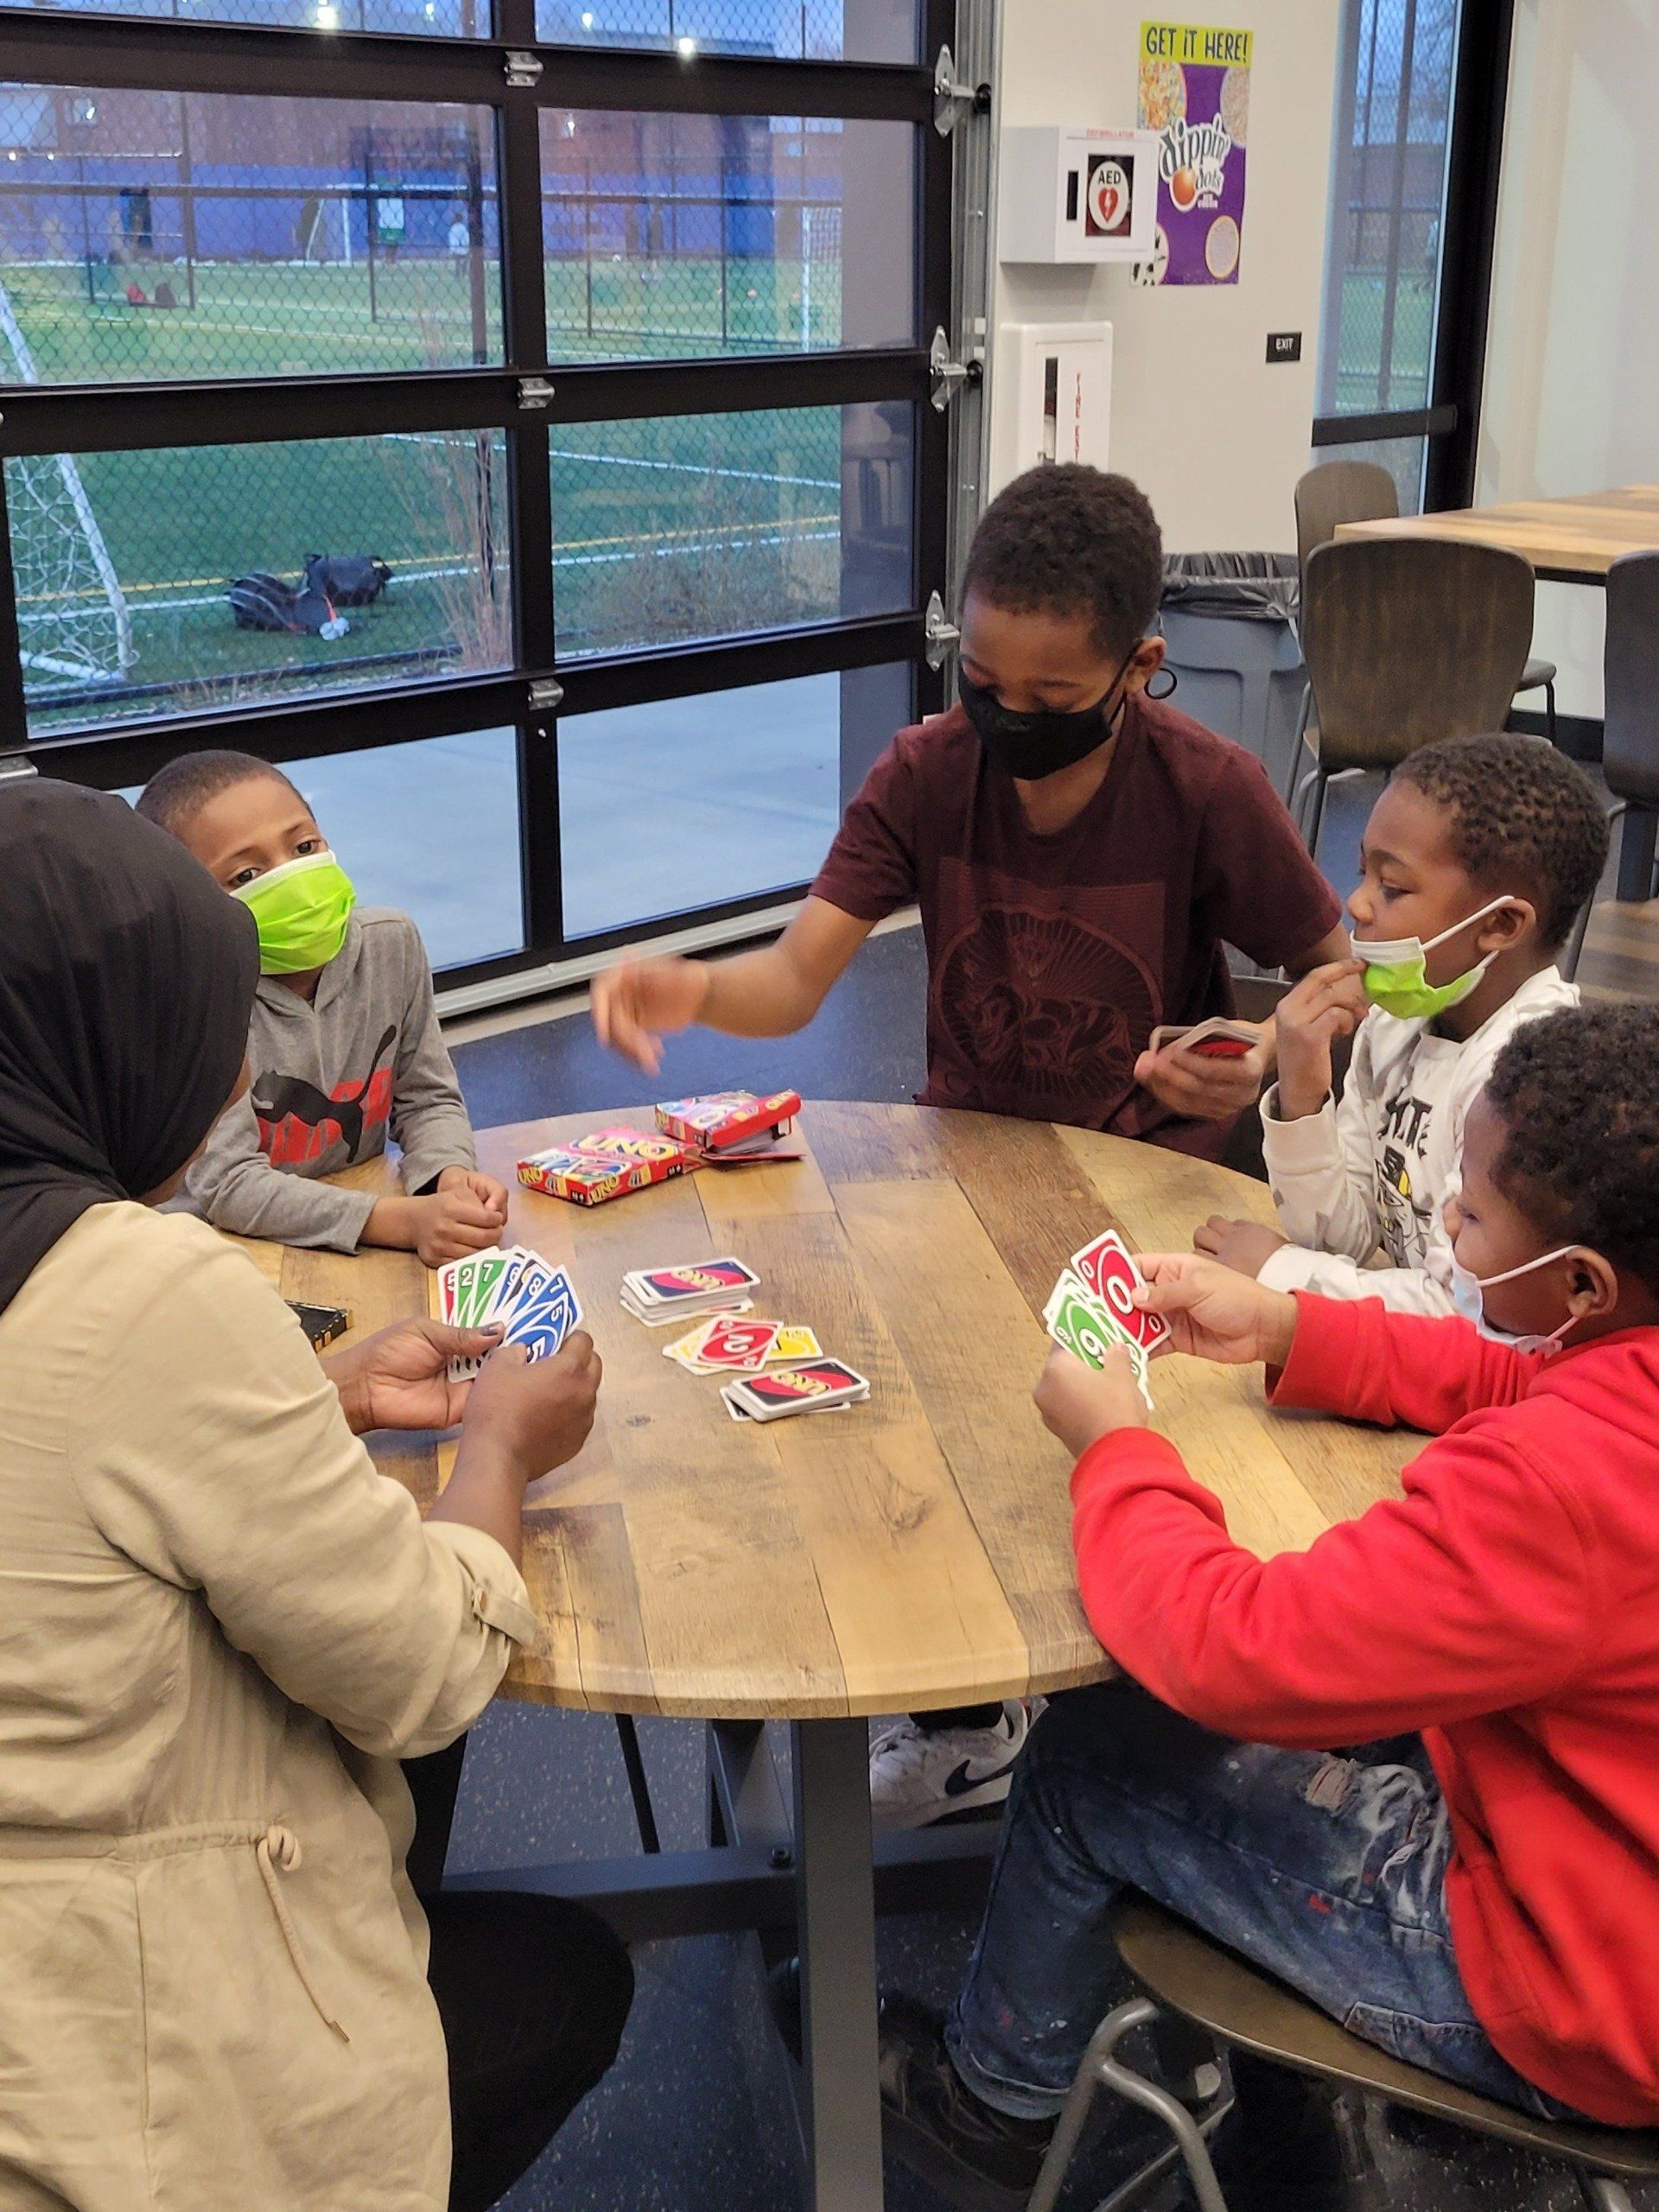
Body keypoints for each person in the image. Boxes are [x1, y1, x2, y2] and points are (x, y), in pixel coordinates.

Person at [591, 465, 1347, 1829]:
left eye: (1052, 702)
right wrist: (692, 988)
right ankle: (965, 1723)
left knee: (1108, 1443)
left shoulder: (1208, 788)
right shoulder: (930, 772)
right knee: (929, 1436)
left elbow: (1333, 978)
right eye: (982, 679)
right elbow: (793, 983)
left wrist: (1247, 1047)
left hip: (1153, 1182)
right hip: (969, 1153)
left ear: (1140, 668)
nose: (1007, 718)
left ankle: (1123, 1727)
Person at [878, 1001, 1659, 2212]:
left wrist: (1116, 1450)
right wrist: (1291, 1324)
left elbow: (1231, 1649)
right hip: (1619, 1865)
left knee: (1101, 1756)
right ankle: (1289, 2119)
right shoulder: (1618, 1364)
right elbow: (1529, 1373)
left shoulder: (1553, 1487)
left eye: (1473, 1211)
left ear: (1584, 1280)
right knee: (1325, 1730)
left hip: (1579, 1995)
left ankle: (991, 2106)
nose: (1447, 1222)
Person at [0, 780, 631, 2212]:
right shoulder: (147, 1288)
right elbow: (418, 1676)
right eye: (190, 1028)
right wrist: (503, 1456)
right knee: (563, 1980)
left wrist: (325, 1397)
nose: (226, 1082)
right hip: (130, 2085)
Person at [1196, 733, 1608, 1313]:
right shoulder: (1395, 1022)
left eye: (1391, 887)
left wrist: (1279, 1270)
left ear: (1501, 925)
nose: (1356, 905)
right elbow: (1344, 1240)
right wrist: (1304, 1092)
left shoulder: (1534, 1082)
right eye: (1363, 872)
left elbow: (1464, 1312)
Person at [136, 749, 511, 1262]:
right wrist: (394, 1221)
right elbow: (226, 1183)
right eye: (246, 875)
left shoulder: (390, 944)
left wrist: (449, 1179)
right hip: (225, 1258)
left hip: (357, 1241)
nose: (292, 876)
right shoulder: (189, 996)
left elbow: (427, 1099)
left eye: (305, 846)